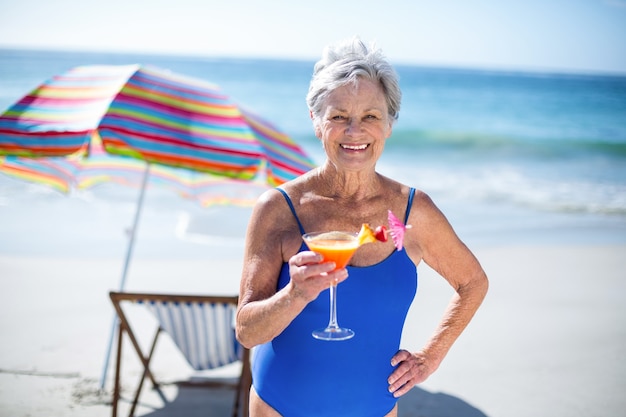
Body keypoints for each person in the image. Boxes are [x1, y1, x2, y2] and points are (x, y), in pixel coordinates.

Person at [236, 37, 489, 417]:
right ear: (316, 121)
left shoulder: (406, 216)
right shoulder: (281, 209)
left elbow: (472, 283)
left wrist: (429, 357)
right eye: (338, 116)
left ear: (389, 125)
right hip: (279, 407)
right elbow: (247, 331)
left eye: (370, 116)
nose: (354, 131)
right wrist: (294, 295)